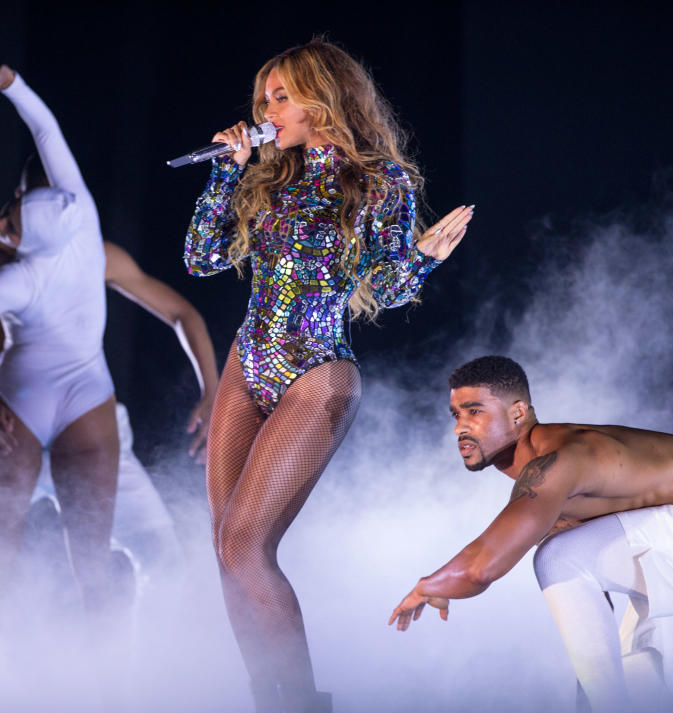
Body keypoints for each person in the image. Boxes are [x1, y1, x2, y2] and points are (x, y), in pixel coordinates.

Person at [183, 39, 472, 713]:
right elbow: (198, 259)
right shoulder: (268, 173)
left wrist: (426, 257)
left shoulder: (380, 181)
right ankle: (268, 699)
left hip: (318, 371)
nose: (267, 109)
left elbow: (390, 285)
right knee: (225, 548)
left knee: (245, 543)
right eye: (264, 97)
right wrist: (226, 172)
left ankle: (306, 704)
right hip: (246, 358)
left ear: (323, 97)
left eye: (282, 96)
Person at [0, 65, 170, 713]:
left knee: (58, 562)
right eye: (13, 204)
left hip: (46, 408)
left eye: (13, 220)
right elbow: (46, 129)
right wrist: (14, 85)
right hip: (40, 407)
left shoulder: (28, 276)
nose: (4, 218)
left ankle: (98, 693)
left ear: (32, 238)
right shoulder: (71, 216)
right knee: (4, 560)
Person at [0, 229, 217, 713]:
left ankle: (138, 689)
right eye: (14, 199)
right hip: (8, 426)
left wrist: (211, 390)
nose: (9, 215)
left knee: (162, 561)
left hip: (89, 432)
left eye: (26, 200)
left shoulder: (94, 256)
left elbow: (183, 311)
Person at [389, 355, 673, 712]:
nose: (460, 426)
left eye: (473, 411)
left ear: (518, 412)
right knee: (645, 695)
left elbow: (482, 568)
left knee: (558, 556)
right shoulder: (551, 485)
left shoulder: (558, 461)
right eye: (455, 414)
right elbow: (591, 608)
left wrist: (428, 586)